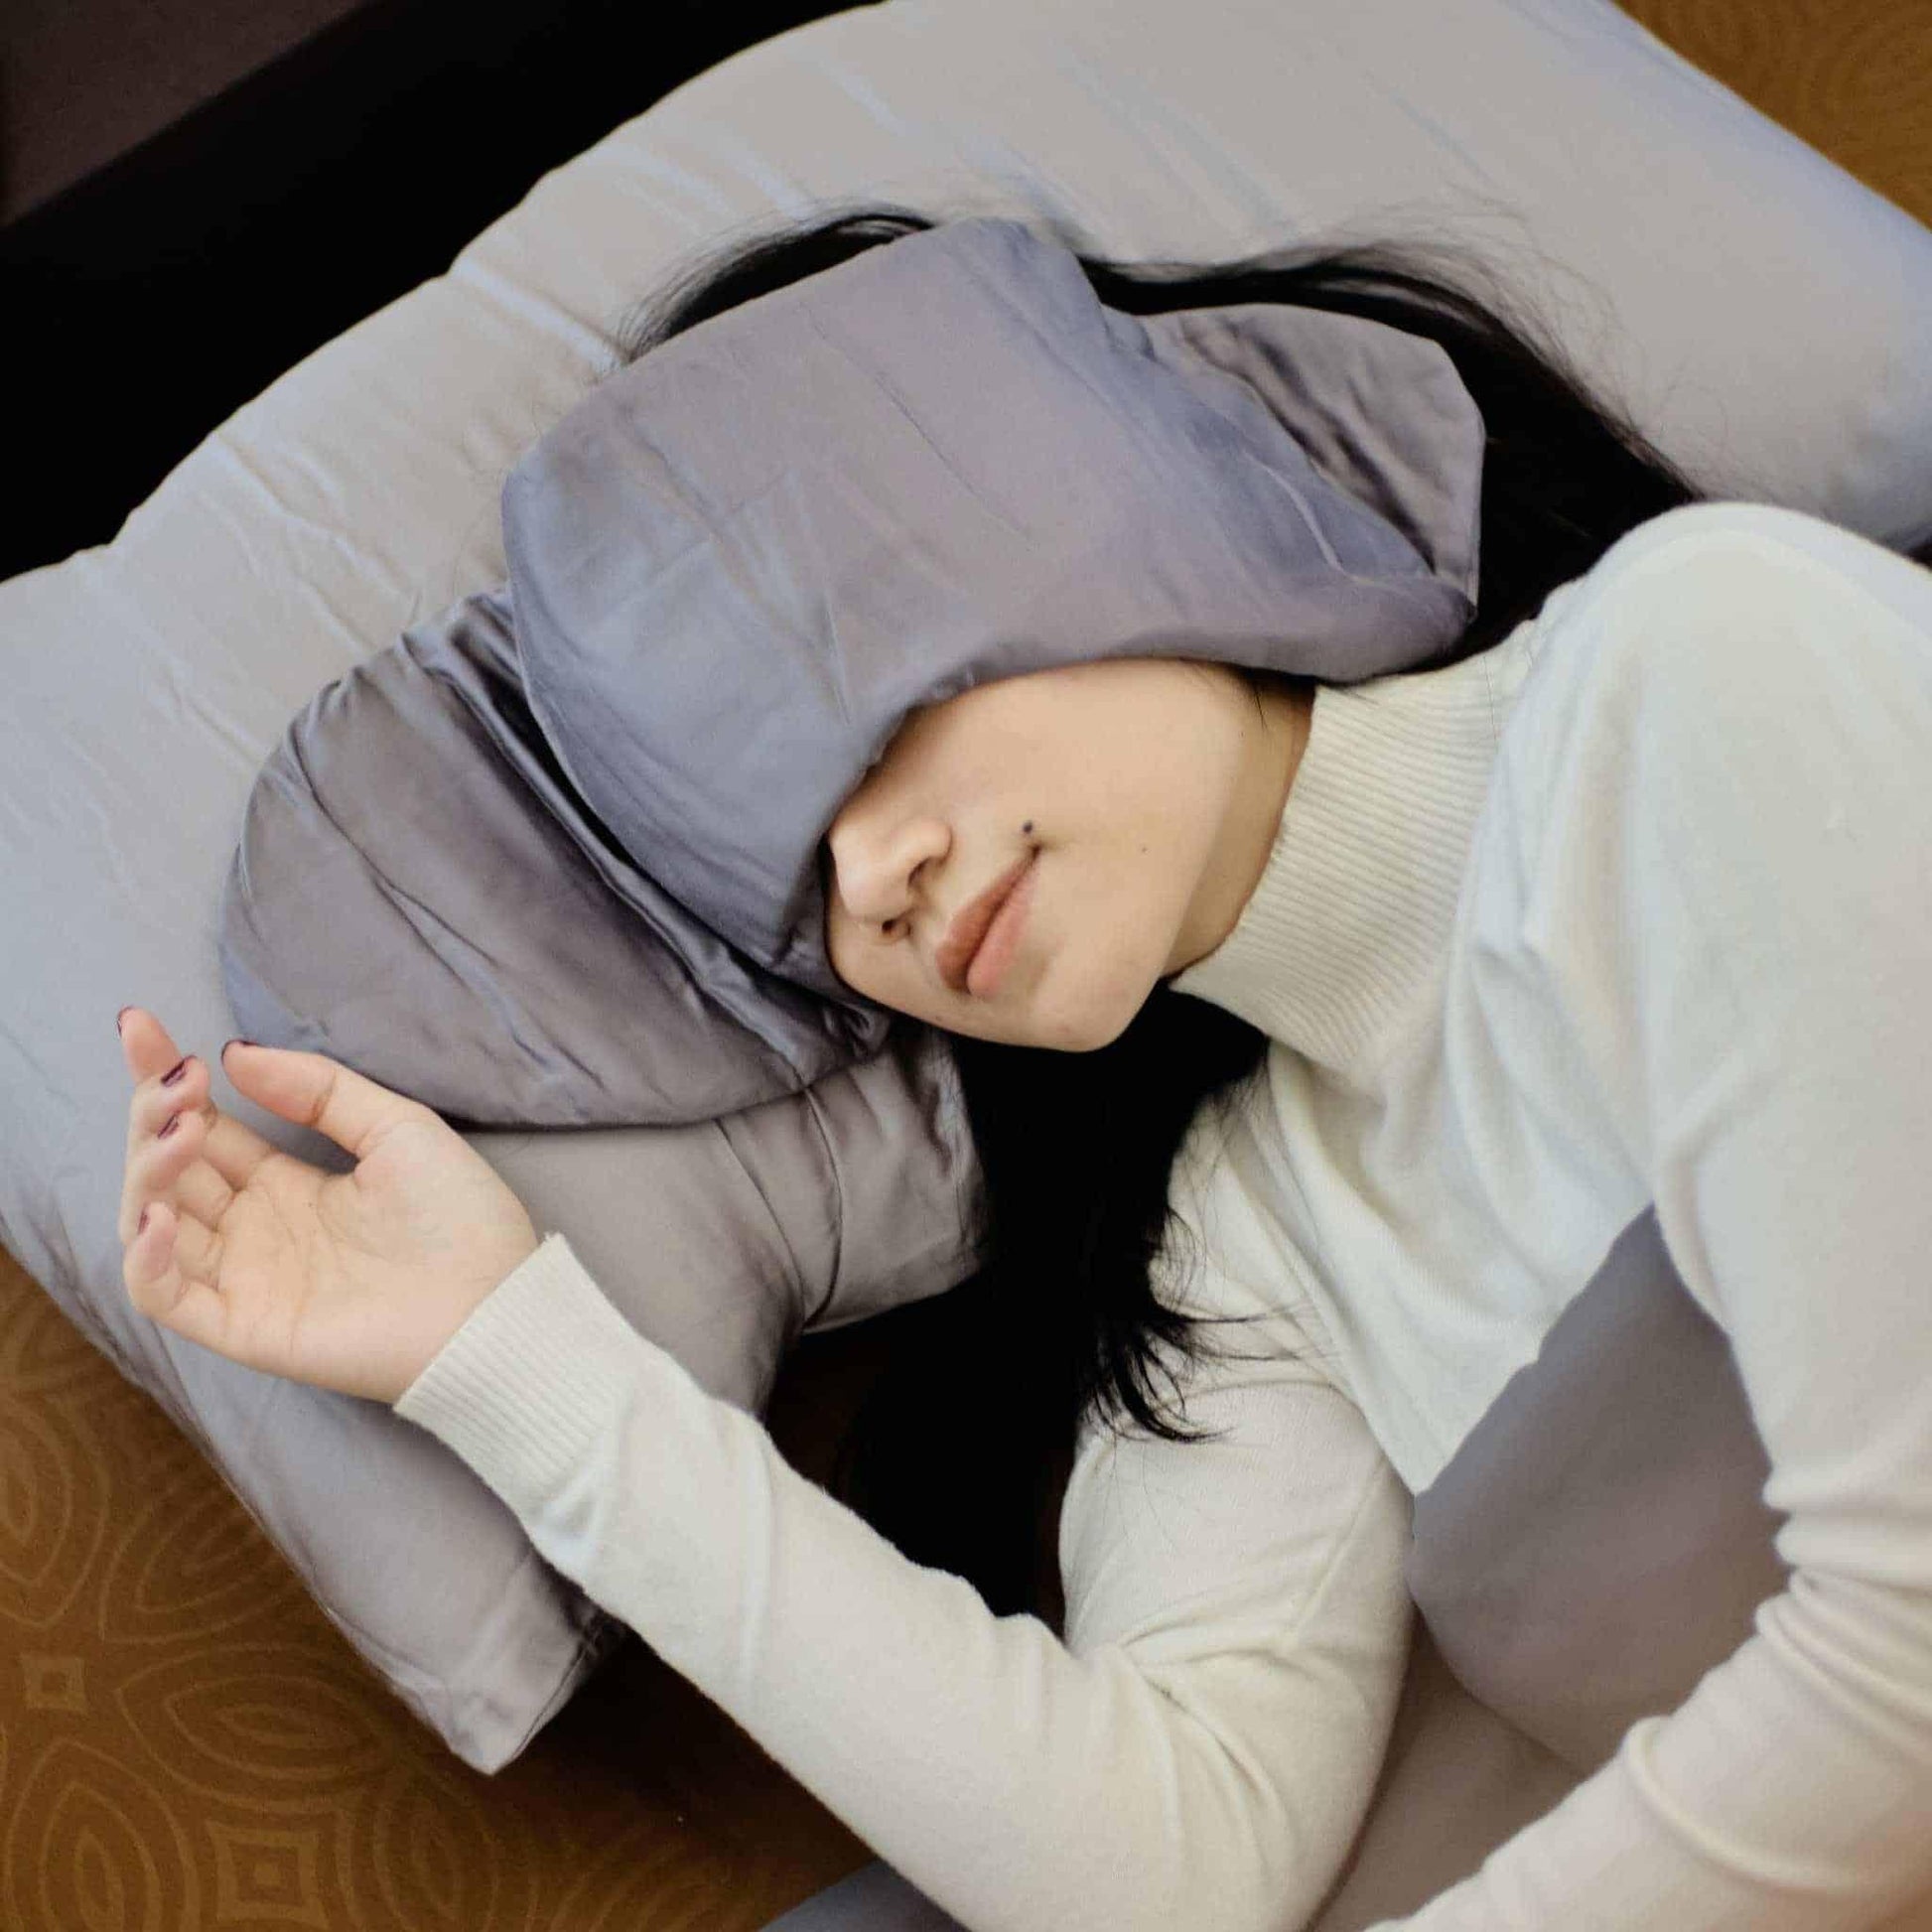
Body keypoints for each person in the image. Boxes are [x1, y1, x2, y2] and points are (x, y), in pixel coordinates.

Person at [113, 208, 1932, 1932]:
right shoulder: (1245, 1230)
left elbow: (1904, 1644)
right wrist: (512, 1355)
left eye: (873, 695)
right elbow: (1167, 1870)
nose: (867, 877)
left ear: (1099, 486)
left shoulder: (1703, 661)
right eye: (771, 867)